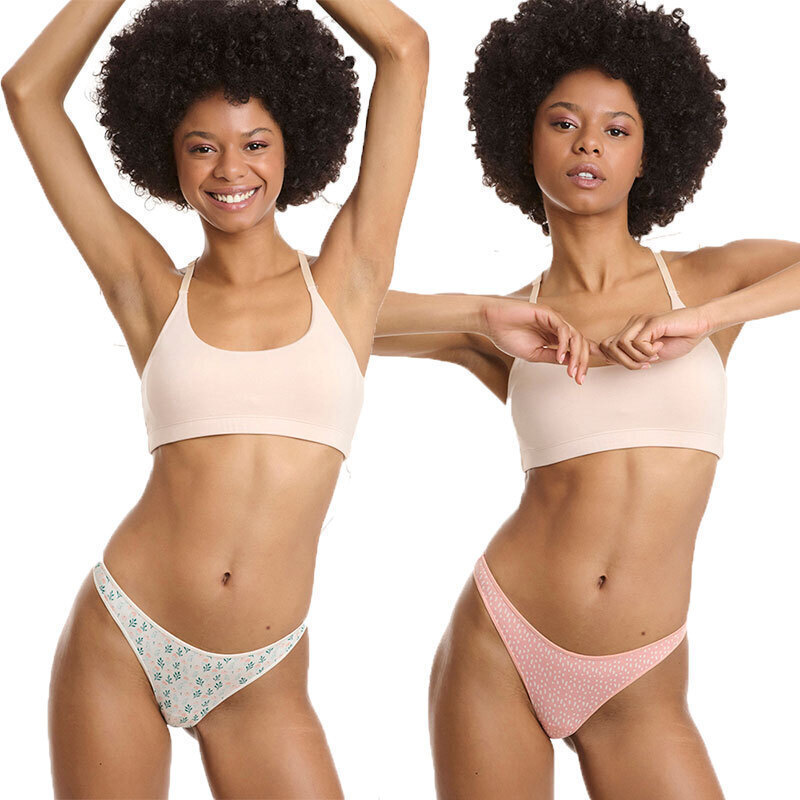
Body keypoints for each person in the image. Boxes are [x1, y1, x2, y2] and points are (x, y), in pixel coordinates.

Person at [3, 0, 433, 795]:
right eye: (202, 147)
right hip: (124, 637)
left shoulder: (351, 279)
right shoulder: (148, 290)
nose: (230, 170)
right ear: (167, 157)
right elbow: (27, 90)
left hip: (261, 674)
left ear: (293, 143)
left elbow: (404, 47)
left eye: (255, 143)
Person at [372, 0, 800, 796]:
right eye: (563, 123)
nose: (588, 144)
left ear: (648, 154)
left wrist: (706, 320)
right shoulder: (510, 324)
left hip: (643, 678)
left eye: (616, 129)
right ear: (524, 139)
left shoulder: (702, 281)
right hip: (502, 645)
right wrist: (477, 314)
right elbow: (326, 316)